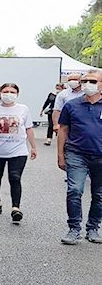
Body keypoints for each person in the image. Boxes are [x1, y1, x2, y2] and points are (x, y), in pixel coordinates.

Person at [57, 69, 102, 245]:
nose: (88, 84)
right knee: (74, 190)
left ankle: (93, 228)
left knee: (99, 194)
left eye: (93, 81)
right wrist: (60, 155)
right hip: (76, 154)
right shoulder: (72, 105)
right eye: (86, 81)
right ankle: (74, 228)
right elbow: (63, 130)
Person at [0, 83, 37, 224]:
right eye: (5, 91)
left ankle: (16, 208)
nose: (8, 94)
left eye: (12, 91)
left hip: (18, 150)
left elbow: (29, 128)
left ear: (17, 94)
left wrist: (33, 146)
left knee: (15, 177)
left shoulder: (23, 109)